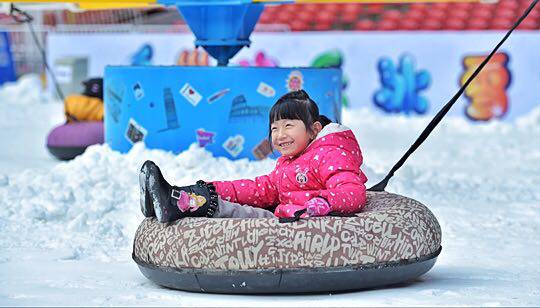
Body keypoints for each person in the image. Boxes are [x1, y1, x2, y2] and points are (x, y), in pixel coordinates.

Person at [139, 90, 368, 223]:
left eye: (288, 125)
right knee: (227, 198)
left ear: (314, 129)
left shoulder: (329, 155)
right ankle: (174, 194)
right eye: (275, 128)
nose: (280, 135)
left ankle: (180, 203)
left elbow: (352, 192)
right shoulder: (290, 162)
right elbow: (261, 189)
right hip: (285, 215)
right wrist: (214, 188)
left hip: (293, 223)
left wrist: (324, 203)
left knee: (234, 213)